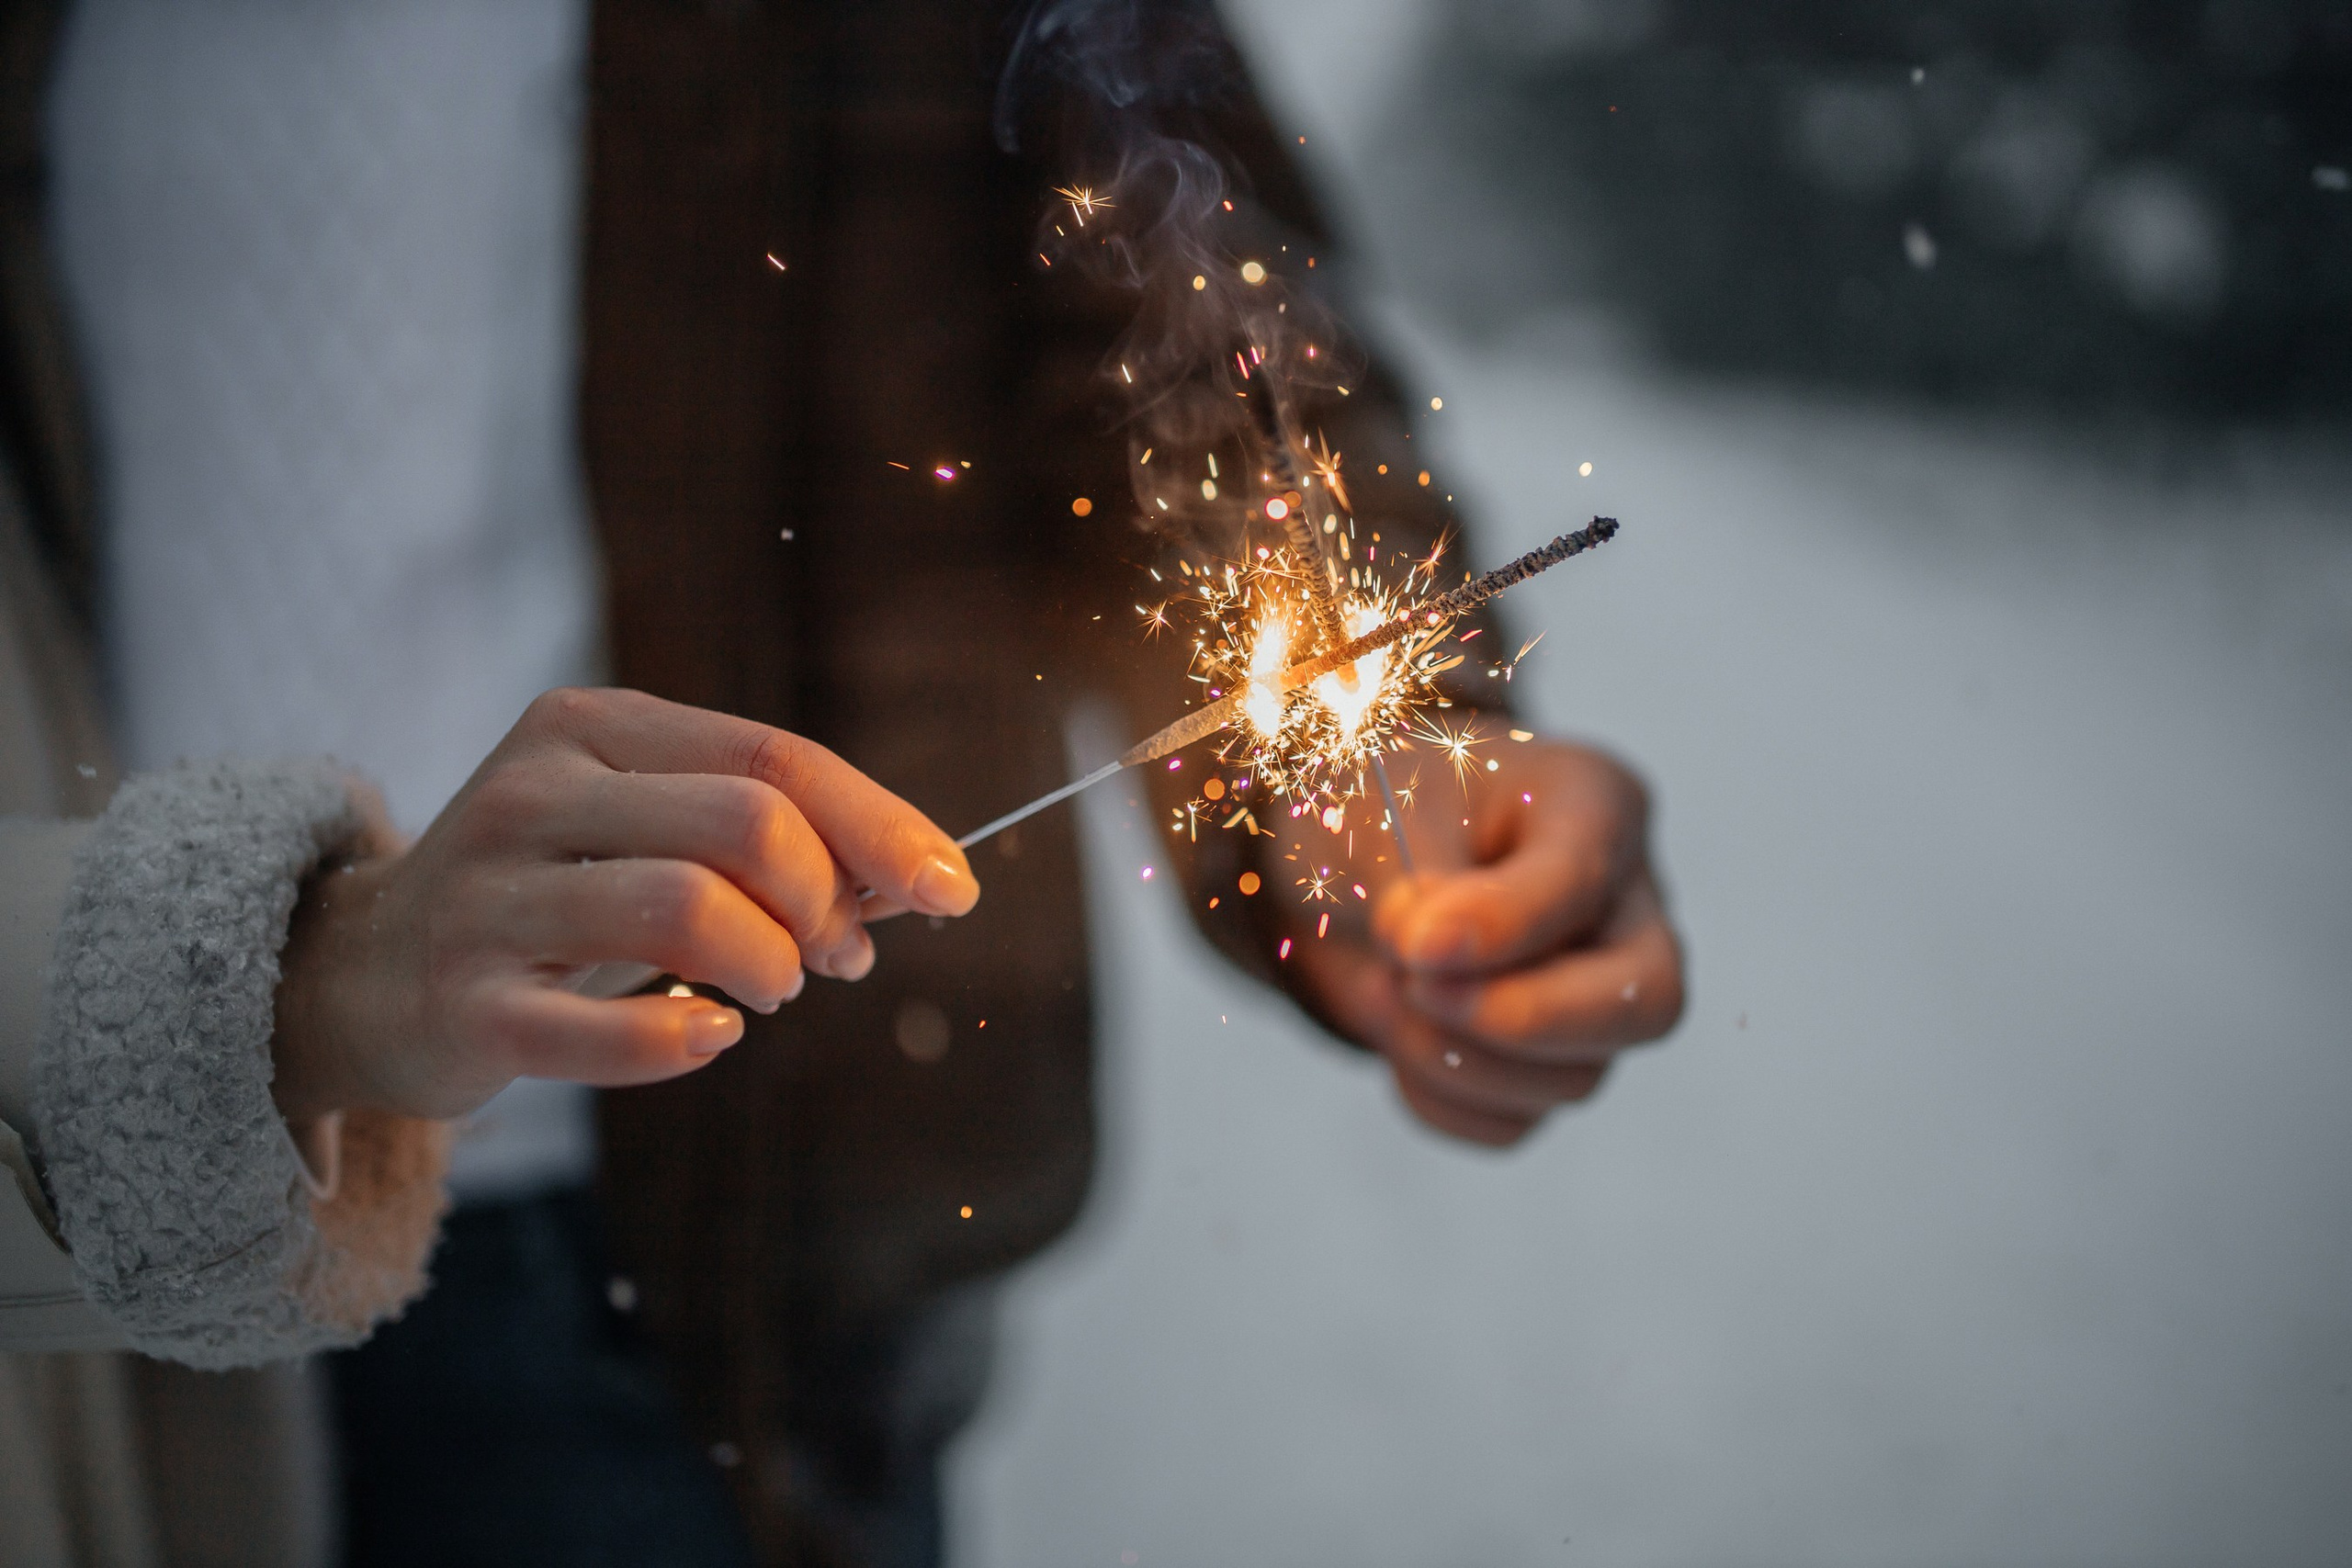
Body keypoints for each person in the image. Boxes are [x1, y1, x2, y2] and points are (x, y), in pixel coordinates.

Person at [1, 1, 1685, 1564]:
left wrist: (1382, 748)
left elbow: (1196, 306)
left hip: (696, 1273)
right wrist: (228, 984)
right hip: (95, 1169)